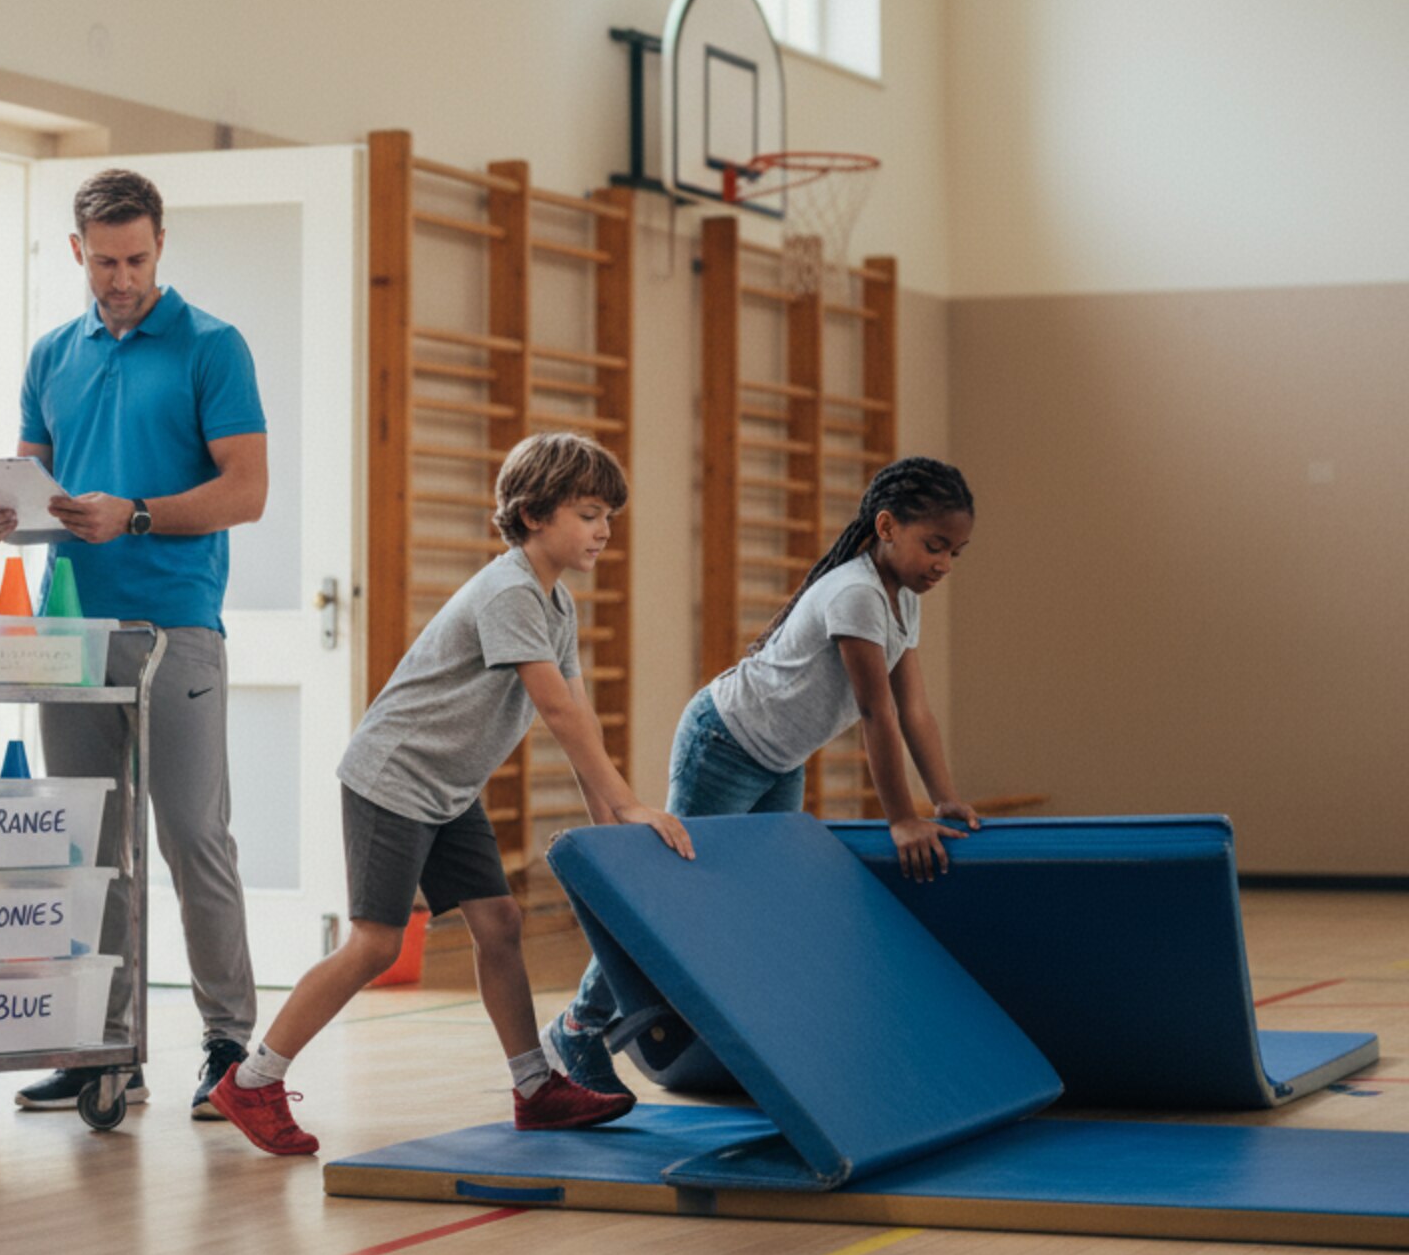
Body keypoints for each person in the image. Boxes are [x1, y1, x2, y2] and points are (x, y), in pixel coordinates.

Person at [207, 432, 692, 1158]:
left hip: (449, 787)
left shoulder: (557, 605)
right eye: (589, 515)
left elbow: (581, 720)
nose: (603, 532)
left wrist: (611, 835)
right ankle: (253, 1079)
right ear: (533, 515)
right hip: (395, 777)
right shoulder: (510, 592)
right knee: (376, 943)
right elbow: (556, 712)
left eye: (608, 518)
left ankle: (534, 1087)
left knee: (499, 923)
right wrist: (628, 806)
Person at [0, 166, 267, 1120]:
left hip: (175, 629)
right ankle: (104, 1045)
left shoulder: (213, 347)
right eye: (104, 262)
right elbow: (38, 484)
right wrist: (3, 515)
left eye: (136, 259)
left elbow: (246, 491)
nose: (122, 278)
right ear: (77, 253)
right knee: (87, 846)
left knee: (192, 838)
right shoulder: (52, 355)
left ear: (160, 246)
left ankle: (228, 1046)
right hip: (69, 634)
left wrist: (133, 514)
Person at [541, 454, 981, 1098]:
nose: (943, 564)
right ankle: (579, 1026)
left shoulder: (901, 601)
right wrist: (902, 818)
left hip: (777, 758)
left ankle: (734, 1027)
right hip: (723, 742)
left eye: (955, 553)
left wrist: (942, 797)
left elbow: (913, 708)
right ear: (886, 526)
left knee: (762, 897)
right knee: (669, 895)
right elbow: (876, 713)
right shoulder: (857, 593)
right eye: (934, 546)